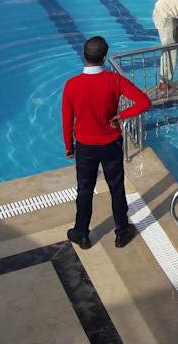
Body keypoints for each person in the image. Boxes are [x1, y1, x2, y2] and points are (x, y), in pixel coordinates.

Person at [61, 36, 151, 250]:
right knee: (116, 188)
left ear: (84, 55)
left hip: (85, 146)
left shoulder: (72, 85)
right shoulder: (114, 80)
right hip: (111, 143)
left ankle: (81, 233)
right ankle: (121, 233)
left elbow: (67, 120)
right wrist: (122, 115)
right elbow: (144, 102)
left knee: (84, 190)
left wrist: (68, 146)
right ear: (103, 57)